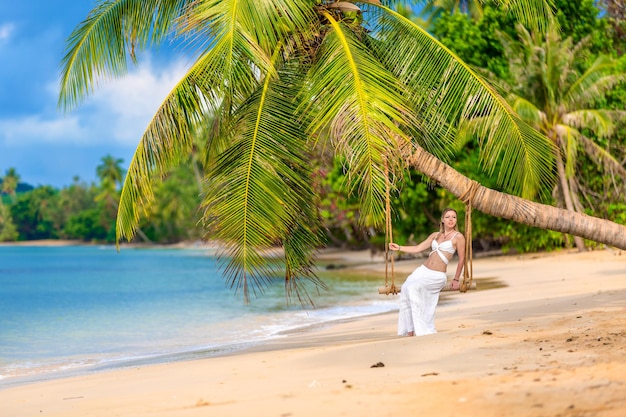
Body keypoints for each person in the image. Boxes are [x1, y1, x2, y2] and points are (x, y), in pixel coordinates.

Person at [388, 208, 465, 336]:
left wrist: (456, 279)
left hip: (437, 275)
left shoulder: (458, 237)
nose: (451, 219)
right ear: (442, 220)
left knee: (413, 288)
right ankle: (410, 329)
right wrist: (399, 247)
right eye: (448, 217)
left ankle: (421, 329)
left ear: (456, 220)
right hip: (422, 270)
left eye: (453, 217)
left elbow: (462, 259)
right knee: (406, 288)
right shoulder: (435, 235)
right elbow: (418, 248)